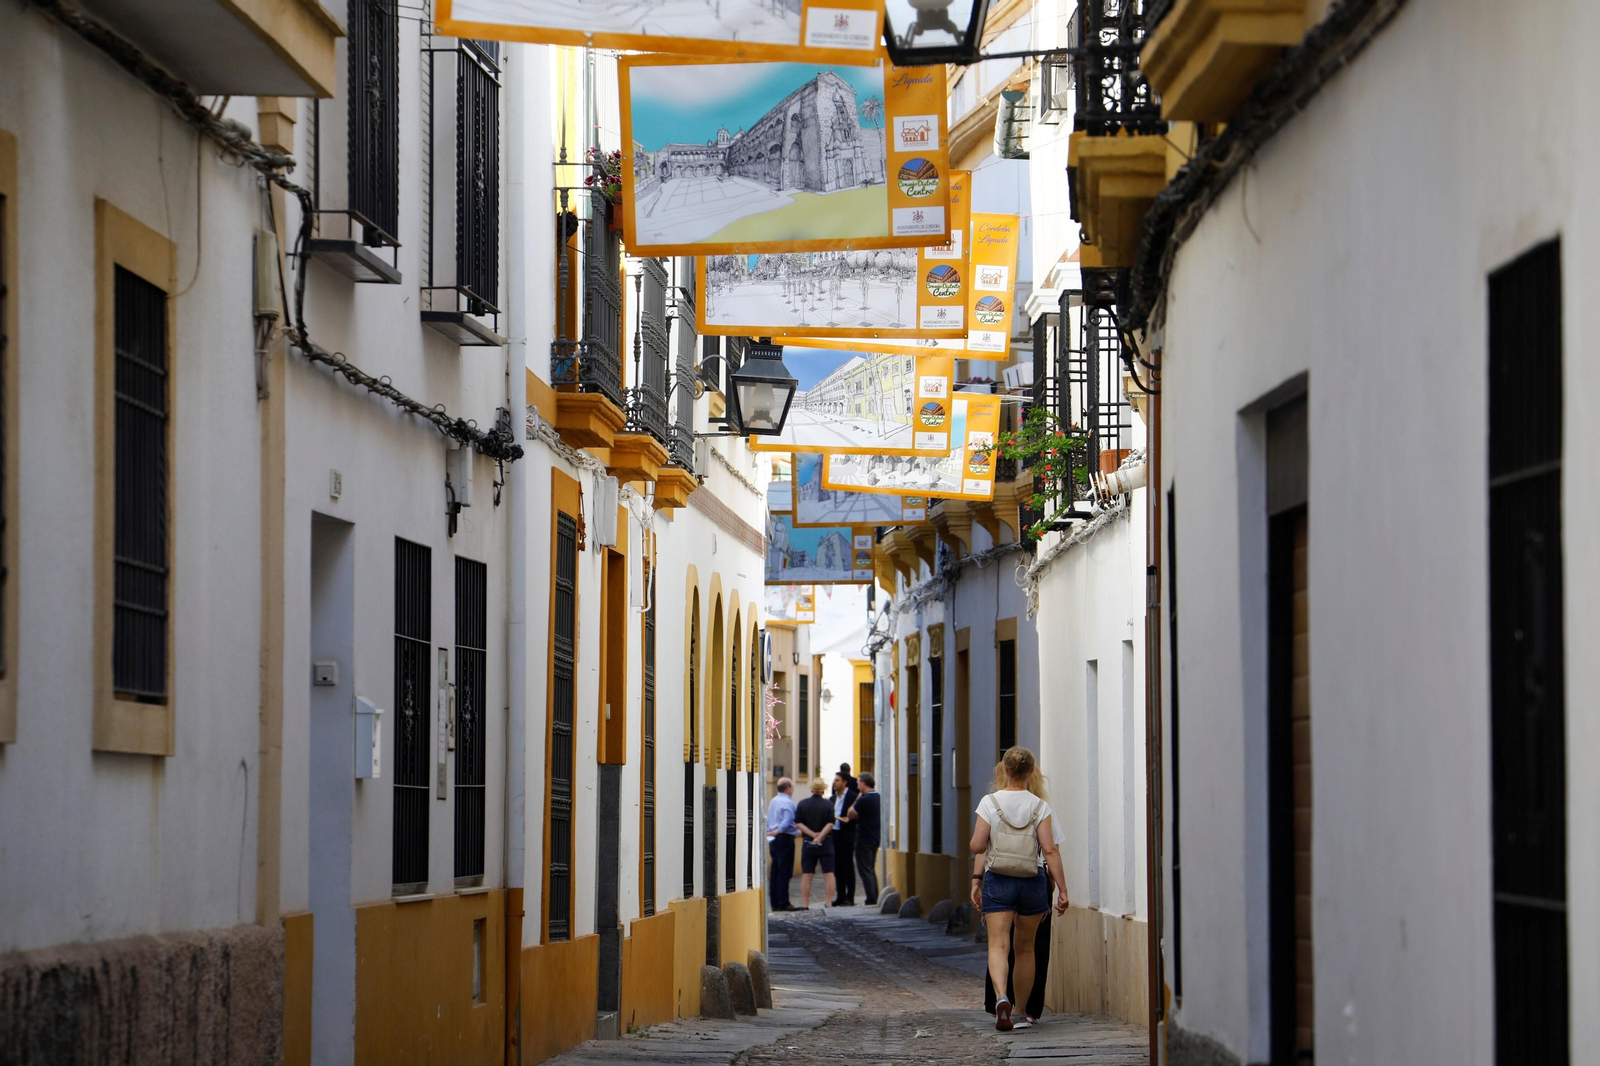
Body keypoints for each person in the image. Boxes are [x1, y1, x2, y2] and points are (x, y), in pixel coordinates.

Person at [970, 746, 1069, 1033]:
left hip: (998, 879)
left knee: (998, 945)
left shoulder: (989, 802)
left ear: (1004, 770)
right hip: (1032, 880)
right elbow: (1050, 851)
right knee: (1025, 949)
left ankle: (1001, 996)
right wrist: (1062, 889)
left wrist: (977, 879)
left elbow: (978, 846)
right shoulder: (1040, 806)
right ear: (1031, 772)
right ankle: (1021, 1011)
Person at [794, 778, 837, 908]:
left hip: (808, 841)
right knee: (828, 873)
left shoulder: (802, 804)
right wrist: (820, 837)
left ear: (811, 790)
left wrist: (812, 835)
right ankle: (829, 902)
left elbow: (798, 823)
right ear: (823, 791)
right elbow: (830, 823)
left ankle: (805, 904)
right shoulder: (828, 805)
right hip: (826, 841)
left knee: (807, 874)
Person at [845, 770, 881, 905]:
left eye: (858, 782)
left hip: (864, 839)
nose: (857, 785)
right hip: (874, 838)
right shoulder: (877, 796)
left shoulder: (865, 799)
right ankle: (874, 896)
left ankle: (871, 898)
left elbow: (850, 813)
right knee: (870, 869)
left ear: (864, 783)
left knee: (865, 870)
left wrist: (857, 797)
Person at [765, 777, 799, 911]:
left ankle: (775, 902)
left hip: (773, 839)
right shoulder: (788, 803)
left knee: (775, 871)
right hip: (784, 838)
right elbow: (788, 820)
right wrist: (778, 831)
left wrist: (770, 831)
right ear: (788, 788)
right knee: (784, 871)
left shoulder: (773, 801)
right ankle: (784, 901)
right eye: (792, 787)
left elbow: (768, 817)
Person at [830, 771, 859, 906]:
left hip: (847, 834)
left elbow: (857, 817)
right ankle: (840, 895)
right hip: (835, 834)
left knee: (847, 866)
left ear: (844, 782)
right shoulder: (832, 799)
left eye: (837, 780)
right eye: (834, 780)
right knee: (837, 867)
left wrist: (849, 821)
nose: (834, 783)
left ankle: (850, 897)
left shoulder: (853, 797)